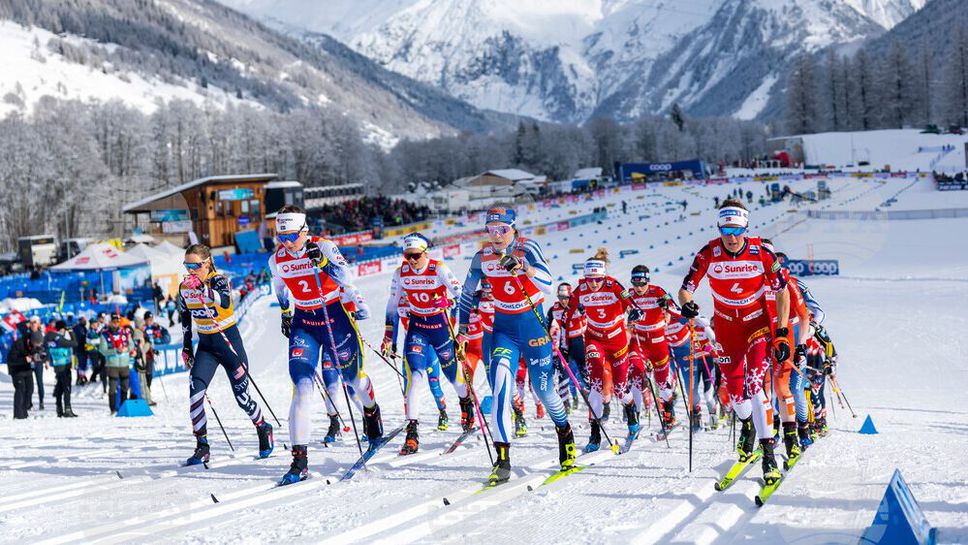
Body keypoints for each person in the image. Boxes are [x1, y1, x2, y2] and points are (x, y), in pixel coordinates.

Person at [459, 207, 576, 485]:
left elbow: (548, 285)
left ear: (513, 229)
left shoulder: (527, 247)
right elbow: (465, 294)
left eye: (502, 229)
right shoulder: (482, 258)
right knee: (501, 390)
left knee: (545, 391)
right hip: (504, 330)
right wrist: (462, 329)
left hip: (533, 326)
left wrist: (526, 268)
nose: (496, 235)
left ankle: (565, 433)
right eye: (491, 229)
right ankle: (502, 459)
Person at [270, 205, 384, 485]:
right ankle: (299, 461)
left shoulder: (325, 246)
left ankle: (371, 412)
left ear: (304, 230)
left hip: (334, 316)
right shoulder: (277, 259)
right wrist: (286, 312)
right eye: (280, 236)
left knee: (352, 379)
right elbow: (280, 285)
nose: (286, 243)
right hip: (304, 322)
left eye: (292, 236)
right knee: (302, 388)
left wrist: (322, 263)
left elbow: (346, 278)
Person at [679, 199, 789, 486]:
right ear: (719, 227)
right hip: (726, 327)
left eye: (737, 230)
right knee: (736, 393)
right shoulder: (708, 253)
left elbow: (782, 292)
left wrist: (781, 333)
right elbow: (685, 289)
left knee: (755, 385)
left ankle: (768, 454)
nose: (731, 236)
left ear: (745, 228)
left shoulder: (761, 252)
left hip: (756, 324)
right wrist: (687, 305)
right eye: (726, 229)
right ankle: (747, 425)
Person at [179, 244, 273, 465]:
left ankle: (263, 427)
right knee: (195, 396)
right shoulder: (184, 288)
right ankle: (202, 446)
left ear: (208, 262)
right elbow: (185, 318)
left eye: (196, 266)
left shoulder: (218, 280)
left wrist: (202, 288)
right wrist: (186, 347)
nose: (191, 271)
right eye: (187, 266)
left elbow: (225, 301)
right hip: (206, 348)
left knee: (242, 399)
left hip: (230, 347)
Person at [383, 233, 471, 454]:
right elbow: (392, 305)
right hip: (417, 329)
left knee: (454, 377)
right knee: (415, 379)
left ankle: (465, 404)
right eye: (407, 256)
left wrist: (449, 302)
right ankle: (412, 433)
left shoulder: (438, 268)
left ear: (425, 252)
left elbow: (463, 296)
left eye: (415, 256)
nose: (411, 261)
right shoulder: (400, 273)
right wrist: (389, 337)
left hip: (440, 328)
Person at [564, 248, 638, 451]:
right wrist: (558, 333)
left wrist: (635, 312)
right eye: (590, 279)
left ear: (603, 277)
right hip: (594, 339)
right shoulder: (580, 290)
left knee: (621, 389)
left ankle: (632, 414)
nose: (593, 283)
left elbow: (629, 301)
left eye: (597, 279)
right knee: (595, 385)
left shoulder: (613, 285)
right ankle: (594, 433)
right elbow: (567, 314)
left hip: (617, 342)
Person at [386, 284, 450, 434]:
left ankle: (443, 412)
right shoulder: (399, 302)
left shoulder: (424, 298)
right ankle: (410, 420)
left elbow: (443, 315)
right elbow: (393, 323)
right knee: (408, 384)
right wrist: (392, 344)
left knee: (434, 383)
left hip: (430, 346)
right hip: (411, 345)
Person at [626, 265, 676, 432]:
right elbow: (617, 312)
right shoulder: (629, 294)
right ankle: (635, 419)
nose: (638, 288)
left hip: (657, 341)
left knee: (662, 384)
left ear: (648, 281)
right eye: (635, 284)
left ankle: (669, 410)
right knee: (635, 376)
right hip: (638, 340)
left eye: (642, 284)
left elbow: (675, 309)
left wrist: (666, 306)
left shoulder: (658, 291)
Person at [96, 314, 133, 415]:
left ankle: (123, 407)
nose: (116, 324)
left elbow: (132, 345)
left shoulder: (125, 333)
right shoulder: (105, 335)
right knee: (113, 387)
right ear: (110, 322)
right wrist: (115, 351)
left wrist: (126, 349)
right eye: (114, 322)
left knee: (125, 386)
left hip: (124, 364)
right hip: (112, 365)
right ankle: (113, 409)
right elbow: (102, 350)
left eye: (117, 322)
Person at [46, 320, 78, 417]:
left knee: (59, 388)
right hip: (64, 366)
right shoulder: (60, 339)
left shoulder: (49, 338)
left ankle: (59, 409)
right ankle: (67, 409)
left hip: (57, 366)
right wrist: (71, 332)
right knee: (66, 389)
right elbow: (75, 343)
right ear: (62, 329)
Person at [8, 324, 39, 419]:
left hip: (27, 369)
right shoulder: (19, 344)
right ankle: (18, 414)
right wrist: (25, 359)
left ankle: (24, 410)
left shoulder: (35, 344)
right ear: (31, 341)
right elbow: (11, 360)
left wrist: (40, 357)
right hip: (16, 369)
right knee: (21, 389)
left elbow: (43, 353)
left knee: (30, 389)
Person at [72, 317, 89, 385]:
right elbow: (81, 338)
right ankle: (80, 378)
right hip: (80, 349)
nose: (85, 322)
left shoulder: (82, 327)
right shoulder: (79, 328)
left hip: (79, 349)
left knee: (81, 364)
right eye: (84, 320)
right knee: (81, 364)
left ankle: (80, 377)